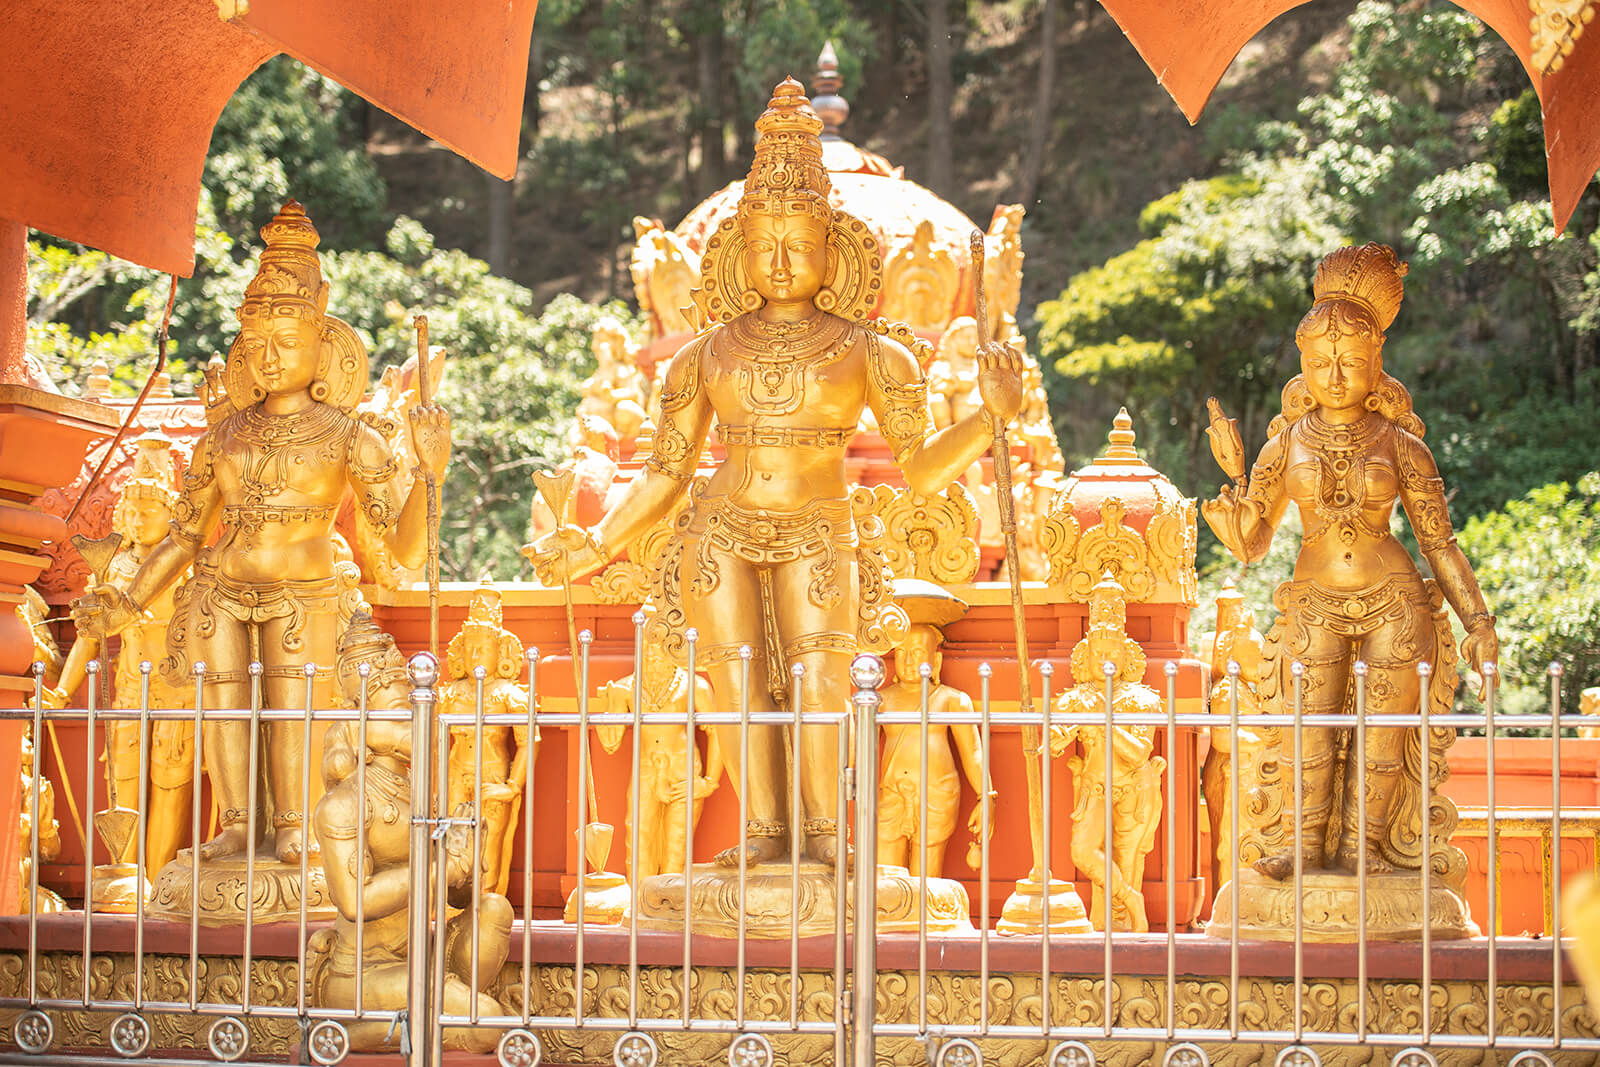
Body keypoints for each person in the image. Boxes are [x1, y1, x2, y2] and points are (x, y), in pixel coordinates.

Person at [531, 78, 1024, 868]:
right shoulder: (706, 354)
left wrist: (990, 416)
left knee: (822, 682)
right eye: (763, 242)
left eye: (799, 241)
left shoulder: (871, 352)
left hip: (820, 528)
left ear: (837, 250)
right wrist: (590, 544)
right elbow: (663, 474)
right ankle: (763, 836)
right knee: (737, 688)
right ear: (736, 252)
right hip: (719, 530)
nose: (781, 258)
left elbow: (925, 470)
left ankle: (827, 840)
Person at [71, 201, 450, 865]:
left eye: (287, 343)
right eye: (257, 345)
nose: (269, 358)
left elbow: (407, 549)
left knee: (290, 708)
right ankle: (239, 825)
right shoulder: (225, 436)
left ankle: (296, 824)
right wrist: (127, 601)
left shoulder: (346, 436)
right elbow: (185, 536)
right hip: (222, 587)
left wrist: (428, 472)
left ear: (321, 342)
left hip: (306, 594)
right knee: (224, 710)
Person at [1202, 242, 1498, 878]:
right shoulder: (1283, 445)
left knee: (1380, 740)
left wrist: (1478, 621)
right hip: (1313, 601)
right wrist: (1233, 523)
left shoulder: (1402, 446)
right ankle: (1304, 850)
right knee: (1310, 733)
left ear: (1376, 362)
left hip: (1395, 600)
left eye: (1351, 361)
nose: (1335, 376)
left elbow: (1438, 544)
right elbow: (1254, 544)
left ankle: (1365, 853)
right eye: (1321, 362)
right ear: (1302, 364)